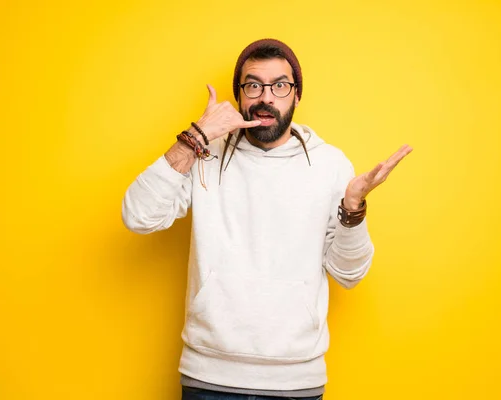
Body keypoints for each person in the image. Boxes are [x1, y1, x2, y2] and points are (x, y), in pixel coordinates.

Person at [122, 38, 412, 400]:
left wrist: (352, 207)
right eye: (253, 85)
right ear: (240, 95)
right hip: (208, 377)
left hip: (296, 382)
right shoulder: (205, 153)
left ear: (296, 94)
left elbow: (348, 274)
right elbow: (138, 215)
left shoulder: (330, 165)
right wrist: (197, 136)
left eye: (280, 85)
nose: (266, 97)